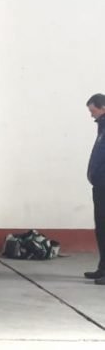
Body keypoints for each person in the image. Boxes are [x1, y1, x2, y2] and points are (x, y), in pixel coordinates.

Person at [85, 93, 105, 284]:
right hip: (100, 185)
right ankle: (103, 267)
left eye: (93, 111)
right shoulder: (102, 127)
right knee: (101, 227)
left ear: (103, 107)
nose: (91, 115)